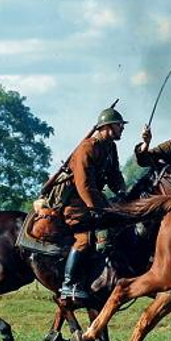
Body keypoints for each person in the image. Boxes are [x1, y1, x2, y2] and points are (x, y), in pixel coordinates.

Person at [41, 104, 128, 303]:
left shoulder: (110, 147)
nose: (122, 128)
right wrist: (95, 209)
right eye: (119, 125)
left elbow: (114, 174)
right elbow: (83, 184)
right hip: (75, 203)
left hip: (94, 199)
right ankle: (69, 284)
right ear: (107, 127)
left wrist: (123, 191)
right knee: (84, 239)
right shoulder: (87, 148)